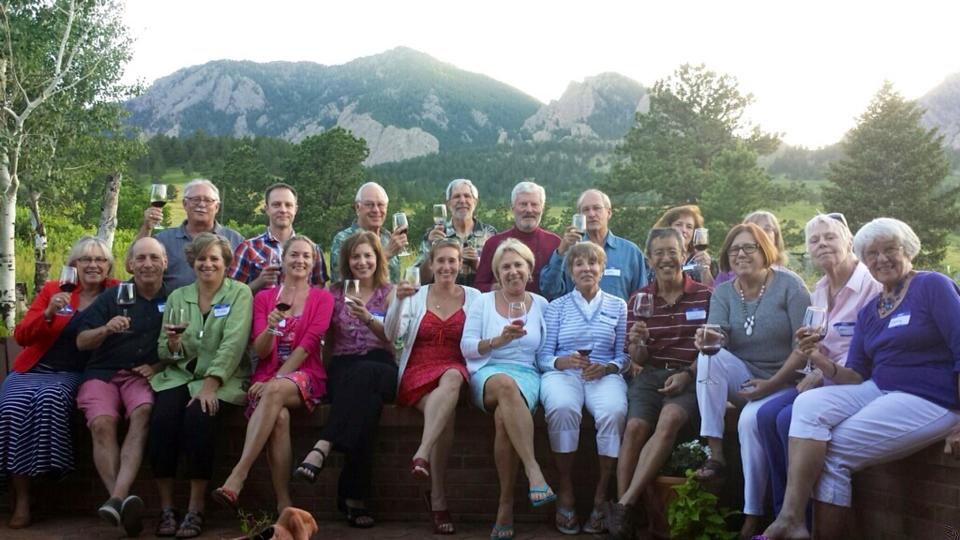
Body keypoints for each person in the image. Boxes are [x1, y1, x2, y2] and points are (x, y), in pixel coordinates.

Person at [761, 218, 960, 540]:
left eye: (890, 250)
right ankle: (792, 517)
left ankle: (797, 523)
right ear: (864, 259)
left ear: (908, 250)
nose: (881, 259)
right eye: (872, 253)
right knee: (809, 403)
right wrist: (815, 357)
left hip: (931, 397)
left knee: (833, 453)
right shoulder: (871, 309)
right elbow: (855, 375)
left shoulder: (931, 285)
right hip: (880, 388)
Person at [754, 214, 880, 521]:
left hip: (857, 382)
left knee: (786, 418)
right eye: (814, 240)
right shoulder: (820, 289)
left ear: (849, 241)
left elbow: (868, 354)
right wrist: (809, 366)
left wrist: (818, 372)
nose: (822, 244)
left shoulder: (870, 288)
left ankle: (803, 520)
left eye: (829, 237)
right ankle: (780, 515)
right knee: (765, 415)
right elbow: (811, 345)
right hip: (822, 377)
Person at [692, 222, 810, 539]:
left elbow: (805, 348)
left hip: (783, 381)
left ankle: (752, 516)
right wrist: (707, 337)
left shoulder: (790, 286)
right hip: (744, 375)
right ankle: (715, 454)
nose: (741, 254)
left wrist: (770, 385)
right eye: (734, 249)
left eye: (749, 247)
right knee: (708, 357)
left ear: (765, 250)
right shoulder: (723, 292)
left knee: (748, 423)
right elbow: (720, 338)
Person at [0, 237, 119, 530]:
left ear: (109, 266)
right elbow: (23, 336)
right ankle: (22, 498)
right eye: (85, 259)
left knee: (51, 399)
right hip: (33, 369)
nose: (93, 265)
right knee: (12, 406)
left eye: (100, 260)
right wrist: (49, 313)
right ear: (73, 265)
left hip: (73, 373)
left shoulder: (116, 292)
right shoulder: (54, 290)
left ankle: (52, 474)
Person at [214, 235, 334, 515]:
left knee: (276, 390)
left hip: (305, 375)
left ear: (314, 261)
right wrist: (269, 328)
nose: (300, 260)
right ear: (283, 259)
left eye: (306, 256)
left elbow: (308, 348)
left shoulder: (322, 298)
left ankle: (238, 474)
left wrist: (274, 380)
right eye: (294, 255)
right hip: (267, 377)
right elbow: (260, 348)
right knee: (278, 418)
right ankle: (284, 502)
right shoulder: (264, 298)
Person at [606, 228, 713, 540]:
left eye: (672, 251)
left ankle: (623, 506)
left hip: (690, 374)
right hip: (650, 374)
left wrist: (688, 374)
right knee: (635, 427)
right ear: (649, 259)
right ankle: (624, 521)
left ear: (684, 255)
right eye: (659, 253)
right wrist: (637, 343)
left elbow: (713, 346)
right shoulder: (639, 298)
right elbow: (637, 356)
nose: (666, 258)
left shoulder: (705, 295)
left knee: (670, 419)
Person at [149, 233, 252, 539]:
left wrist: (211, 385)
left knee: (199, 418)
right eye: (201, 259)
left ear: (226, 264)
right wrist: (173, 344)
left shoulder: (240, 294)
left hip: (223, 378)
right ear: (192, 261)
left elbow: (233, 345)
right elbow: (165, 352)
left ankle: (196, 508)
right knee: (163, 420)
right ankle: (167, 508)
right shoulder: (178, 297)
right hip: (181, 375)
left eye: (214, 259)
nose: (207, 264)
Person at [293, 231, 396, 529]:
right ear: (346, 261)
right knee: (367, 407)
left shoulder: (390, 292)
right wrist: (323, 381)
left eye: (368, 255)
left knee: (365, 376)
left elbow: (393, 338)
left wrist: (367, 318)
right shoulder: (333, 293)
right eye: (356, 256)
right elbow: (327, 338)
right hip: (344, 367)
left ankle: (322, 447)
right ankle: (354, 499)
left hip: (381, 364)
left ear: (378, 258)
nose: (362, 262)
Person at [384, 239, 481, 535]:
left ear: (460, 265)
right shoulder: (415, 295)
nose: (446, 267)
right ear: (431, 264)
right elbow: (390, 334)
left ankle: (423, 454)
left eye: (452, 261)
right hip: (417, 372)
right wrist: (398, 300)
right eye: (440, 261)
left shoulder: (475, 297)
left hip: (455, 371)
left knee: (452, 376)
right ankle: (437, 498)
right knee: (445, 413)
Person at [74, 237, 169, 537]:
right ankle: (122, 501)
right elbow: (80, 340)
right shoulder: (114, 296)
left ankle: (116, 498)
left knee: (143, 412)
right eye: (140, 258)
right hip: (102, 373)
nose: (147, 264)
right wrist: (105, 328)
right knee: (101, 423)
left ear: (165, 262)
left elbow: (185, 348)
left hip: (139, 376)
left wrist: (156, 367)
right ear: (129, 264)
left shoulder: (176, 298)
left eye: (154, 257)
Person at [461, 238, 555, 540]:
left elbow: (544, 353)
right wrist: (497, 342)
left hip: (527, 374)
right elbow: (466, 347)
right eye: (506, 267)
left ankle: (505, 505)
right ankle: (534, 470)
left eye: (519, 265)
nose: (513, 271)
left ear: (529, 270)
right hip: (487, 371)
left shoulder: (541, 305)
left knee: (504, 419)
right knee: (504, 384)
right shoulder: (482, 302)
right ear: (497, 273)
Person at [537, 241, 628, 534]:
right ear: (571, 271)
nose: (586, 268)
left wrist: (608, 367)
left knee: (614, 412)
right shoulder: (557, 306)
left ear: (602, 269)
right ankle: (565, 488)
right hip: (564, 374)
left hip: (603, 375)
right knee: (562, 408)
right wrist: (562, 362)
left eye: (593, 263)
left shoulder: (618, 305)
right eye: (579, 263)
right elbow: (543, 357)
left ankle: (602, 494)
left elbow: (624, 355)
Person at [539, 189, 649, 301]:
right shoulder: (569, 251)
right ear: (580, 216)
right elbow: (549, 291)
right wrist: (561, 252)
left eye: (597, 208)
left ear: (609, 213)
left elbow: (641, 297)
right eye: (586, 210)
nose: (591, 214)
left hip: (618, 317)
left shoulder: (630, 252)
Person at [138, 178, 243, 290]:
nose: (201, 204)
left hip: (223, 306)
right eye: (195, 199)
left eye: (208, 200)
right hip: (174, 305)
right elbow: (131, 267)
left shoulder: (235, 239)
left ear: (216, 207)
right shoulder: (163, 240)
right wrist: (147, 228)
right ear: (185, 204)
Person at [229, 182, 329, 292]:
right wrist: (259, 282)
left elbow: (320, 292)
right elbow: (233, 295)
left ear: (295, 209)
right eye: (276, 205)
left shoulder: (312, 250)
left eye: (288, 205)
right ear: (267, 209)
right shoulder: (248, 248)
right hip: (260, 309)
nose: (283, 210)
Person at [473, 181, 561, 295]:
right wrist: (499, 288)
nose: (529, 210)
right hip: (504, 309)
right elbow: (479, 286)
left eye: (534, 204)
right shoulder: (494, 244)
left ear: (542, 209)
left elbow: (564, 287)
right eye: (523, 204)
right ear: (513, 208)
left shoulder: (555, 244)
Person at [416, 178, 497, 287]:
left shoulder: (490, 234)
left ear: (475, 202)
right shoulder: (434, 235)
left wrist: (477, 265)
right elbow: (420, 280)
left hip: (481, 300)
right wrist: (432, 249)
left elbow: (499, 279)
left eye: (467, 196)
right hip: (444, 301)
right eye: (456, 196)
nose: (462, 200)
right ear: (448, 203)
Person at [330, 182, 406, 283]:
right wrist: (386, 254)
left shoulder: (387, 237)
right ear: (358, 208)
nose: (376, 210)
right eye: (369, 205)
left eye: (380, 205)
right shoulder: (343, 239)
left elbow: (394, 279)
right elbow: (342, 282)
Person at [715, 210, 790, 286]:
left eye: (767, 229)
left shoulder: (788, 280)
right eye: (755, 229)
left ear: (776, 236)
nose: (762, 234)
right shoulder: (726, 276)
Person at [653, 205, 715, 287]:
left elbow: (712, 293)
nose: (684, 230)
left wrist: (705, 269)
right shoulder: (654, 259)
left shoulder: (702, 260)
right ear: (667, 228)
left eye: (689, 227)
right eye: (678, 224)